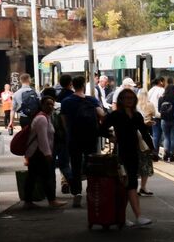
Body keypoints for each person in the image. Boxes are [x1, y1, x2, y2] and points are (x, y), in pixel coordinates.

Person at [99, 89, 153, 227]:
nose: (129, 100)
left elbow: (144, 132)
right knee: (127, 184)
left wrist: (152, 150)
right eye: (126, 97)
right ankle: (134, 216)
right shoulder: (116, 115)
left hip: (134, 152)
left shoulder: (136, 115)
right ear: (121, 100)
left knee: (129, 184)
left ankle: (123, 217)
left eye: (131, 97)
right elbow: (101, 128)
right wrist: (111, 137)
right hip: (120, 153)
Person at [60, 79, 105, 207]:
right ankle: (90, 191)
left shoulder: (66, 101)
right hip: (90, 137)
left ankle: (76, 193)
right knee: (91, 164)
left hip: (74, 137)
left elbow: (64, 122)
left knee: (75, 165)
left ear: (73, 85)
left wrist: (69, 131)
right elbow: (102, 114)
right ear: (84, 85)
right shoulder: (91, 100)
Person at [20, 93, 68, 209]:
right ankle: (51, 201)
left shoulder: (45, 117)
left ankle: (29, 201)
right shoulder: (42, 119)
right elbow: (43, 139)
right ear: (41, 105)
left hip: (37, 152)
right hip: (38, 153)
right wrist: (47, 154)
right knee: (45, 177)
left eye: (52, 104)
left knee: (34, 177)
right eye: (47, 104)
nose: (50, 106)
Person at [158, 82, 174, 161]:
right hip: (173, 120)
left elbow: (159, 110)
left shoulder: (161, 98)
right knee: (173, 137)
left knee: (166, 137)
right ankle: (172, 155)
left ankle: (166, 154)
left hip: (164, 120)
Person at [145, 77, 166, 158]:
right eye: (164, 81)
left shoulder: (150, 90)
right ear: (161, 82)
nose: (164, 83)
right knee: (163, 135)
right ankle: (163, 152)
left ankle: (154, 151)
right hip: (160, 115)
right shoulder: (161, 90)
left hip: (152, 115)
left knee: (155, 135)